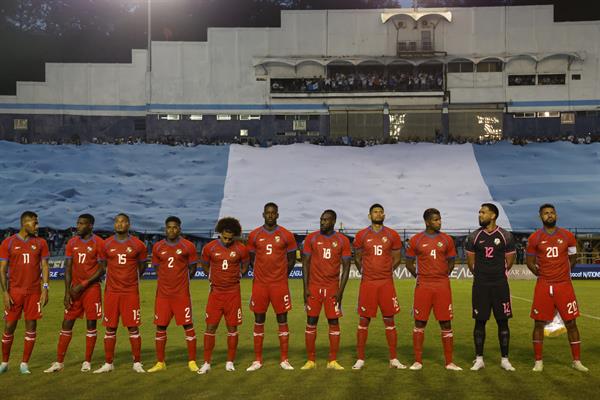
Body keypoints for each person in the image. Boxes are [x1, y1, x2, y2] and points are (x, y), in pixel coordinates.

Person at [526, 204, 588, 372]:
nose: (550, 215)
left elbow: (573, 257)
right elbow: (529, 262)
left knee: (571, 322)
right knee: (538, 323)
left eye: (552, 213)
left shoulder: (567, 235)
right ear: (541, 217)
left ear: (556, 215)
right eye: (546, 213)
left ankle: (577, 361)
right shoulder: (534, 238)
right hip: (544, 285)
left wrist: (563, 274)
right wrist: (541, 274)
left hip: (564, 286)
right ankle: (538, 361)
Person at [44, 214, 106, 373]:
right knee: (67, 322)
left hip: (91, 289)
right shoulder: (72, 242)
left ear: (90, 225)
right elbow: (68, 268)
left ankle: (87, 361)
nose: (78, 226)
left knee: (91, 324)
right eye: (78, 223)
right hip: (74, 290)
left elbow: (101, 269)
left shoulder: (99, 242)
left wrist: (84, 284)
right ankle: (59, 362)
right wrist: (67, 292)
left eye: (82, 223)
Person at [405, 208, 462, 371]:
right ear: (427, 222)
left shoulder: (447, 240)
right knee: (420, 322)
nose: (439, 222)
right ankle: (417, 361)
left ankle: (449, 362)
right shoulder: (416, 239)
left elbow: (451, 261)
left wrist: (443, 275)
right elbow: (409, 263)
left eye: (440, 219)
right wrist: (419, 277)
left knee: (445, 322)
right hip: (423, 285)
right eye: (436, 220)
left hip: (442, 285)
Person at [352, 204, 405, 370]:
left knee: (389, 319)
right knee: (363, 320)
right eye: (375, 212)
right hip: (368, 283)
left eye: (381, 212)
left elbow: (397, 258)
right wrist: (366, 272)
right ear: (369, 216)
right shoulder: (361, 235)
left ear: (384, 215)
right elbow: (358, 257)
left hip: (386, 283)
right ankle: (360, 359)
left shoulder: (393, 235)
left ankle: (393, 359)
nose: (378, 214)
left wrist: (386, 272)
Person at [93, 213, 148, 373]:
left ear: (128, 224)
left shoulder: (138, 244)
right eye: (117, 222)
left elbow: (142, 266)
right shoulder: (106, 244)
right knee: (110, 328)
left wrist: (131, 279)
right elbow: (102, 266)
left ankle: (137, 362)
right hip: (111, 292)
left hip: (130, 292)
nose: (119, 224)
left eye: (123, 221)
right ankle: (108, 363)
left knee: (133, 327)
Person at [246, 203, 297, 371]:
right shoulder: (254, 235)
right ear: (263, 214)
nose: (270, 215)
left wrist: (281, 275)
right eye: (267, 213)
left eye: (273, 213)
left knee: (282, 319)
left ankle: (284, 359)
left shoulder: (286, 235)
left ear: (277, 215)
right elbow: (252, 259)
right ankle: (257, 360)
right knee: (259, 319)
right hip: (260, 285)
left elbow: (291, 260)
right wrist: (261, 274)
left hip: (279, 285)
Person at [465, 203, 516, 371]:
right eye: (479, 212)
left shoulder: (505, 236)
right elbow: (471, 263)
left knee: (503, 322)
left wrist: (496, 274)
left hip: (500, 285)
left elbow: (509, 262)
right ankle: (479, 359)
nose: (480, 214)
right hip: (480, 285)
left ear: (493, 215)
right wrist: (482, 275)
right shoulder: (474, 236)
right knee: (480, 322)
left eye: (483, 212)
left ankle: (505, 359)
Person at [300, 210, 351, 370]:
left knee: (334, 322)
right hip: (314, 287)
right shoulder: (311, 238)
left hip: (332, 288)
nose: (322, 222)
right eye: (321, 219)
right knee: (311, 322)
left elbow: (347, 267)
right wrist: (305, 288)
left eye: (326, 220)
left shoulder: (342, 240)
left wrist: (340, 292)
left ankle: (332, 361)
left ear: (333, 221)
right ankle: (310, 360)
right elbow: (305, 264)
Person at [147, 216, 199, 373]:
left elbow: (192, 269)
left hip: (181, 294)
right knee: (160, 326)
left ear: (180, 229)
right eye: (169, 227)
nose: (172, 230)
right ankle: (160, 362)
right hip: (163, 295)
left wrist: (180, 281)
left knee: (188, 325)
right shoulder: (157, 247)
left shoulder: (188, 246)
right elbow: (157, 267)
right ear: (165, 229)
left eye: (175, 227)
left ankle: (192, 361)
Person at [0, 211, 50, 374]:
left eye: (37, 222)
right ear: (24, 223)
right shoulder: (8, 243)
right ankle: (4, 362)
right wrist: (5, 293)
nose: (37, 226)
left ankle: (24, 364)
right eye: (34, 223)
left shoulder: (41, 243)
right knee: (9, 327)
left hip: (34, 292)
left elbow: (44, 266)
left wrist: (45, 288)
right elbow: (2, 270)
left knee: (31, 325)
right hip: (15, 292)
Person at [198, 217, 249, 374]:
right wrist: (210, 276)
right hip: (216, 293)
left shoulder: (241, 249)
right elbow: (205, 264)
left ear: (234, 235)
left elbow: (246, 265)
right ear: (220, 233)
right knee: (210, 327)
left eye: (230, 238)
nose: (227, 241)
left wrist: (240, 274)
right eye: (224, 237)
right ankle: (207, 362)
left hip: (233, 293)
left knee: (232, 328)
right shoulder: (210, 248)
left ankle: (230, 362)